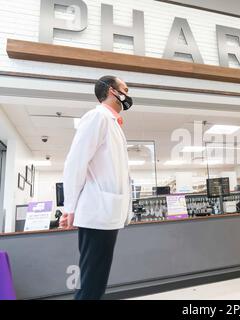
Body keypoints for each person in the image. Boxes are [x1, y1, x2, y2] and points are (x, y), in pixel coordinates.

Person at [59, 75, 134, 300]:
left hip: (106, 213)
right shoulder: (97, 117)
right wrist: (70, 206)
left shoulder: (111, 123)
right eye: (125, 89)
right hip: (97, 213)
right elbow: (75, 162)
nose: (128, 95)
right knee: (91, 284)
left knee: (95, 281)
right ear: (113, 91)